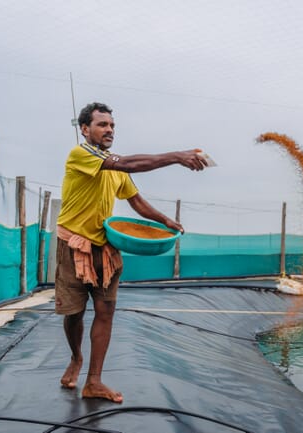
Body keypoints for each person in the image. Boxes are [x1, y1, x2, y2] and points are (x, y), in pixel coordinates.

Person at [55, 102, 207, 402]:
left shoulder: (115, 167)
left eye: (111, 125)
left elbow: (135, 200)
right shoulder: (81, 154)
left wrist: (164, 220)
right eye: (102, 125)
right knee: (73, 313)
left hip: (105, 246)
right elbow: (127, 164)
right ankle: (76, 357)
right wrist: (177, 156)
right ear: (85, 129)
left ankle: (94, 382)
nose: (109, 129)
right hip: (73, 244)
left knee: (105, 310)